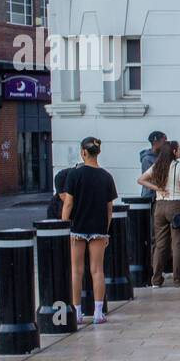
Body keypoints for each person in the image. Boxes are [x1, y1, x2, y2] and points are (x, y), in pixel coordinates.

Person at [61, 137, 119, 324]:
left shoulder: (74, 175)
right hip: (98, 228)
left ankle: (77, 312)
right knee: (97, 270)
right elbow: (109, 208)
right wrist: (106, 229)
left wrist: (64, 224)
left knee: (76, 270)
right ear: (98, 152)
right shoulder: (106, 176)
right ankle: (98, 312)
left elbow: (69, 203)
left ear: (83, 152)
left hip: (77, 227)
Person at [137, 140, 180, 287]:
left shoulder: (157, 165)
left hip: (159, 206)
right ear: (174, 151)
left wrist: (157, 188)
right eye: (178, 149)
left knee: (160, 245)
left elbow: (141, 180)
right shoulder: (178, 166)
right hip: (176, 206)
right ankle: (179, 279)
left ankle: (156, 280)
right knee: (178, 244)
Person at [140, 131, 167, 201]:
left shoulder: (162, 156)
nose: (165, 145)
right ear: (155, 142)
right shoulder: (147, 159)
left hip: (160, 195)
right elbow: (150, 179)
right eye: (163, 142)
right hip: (150, 197)